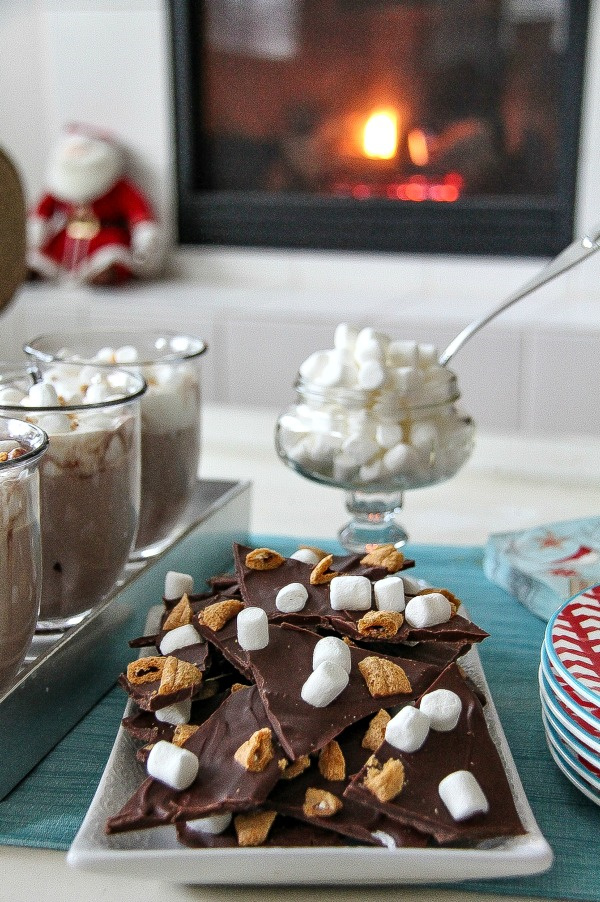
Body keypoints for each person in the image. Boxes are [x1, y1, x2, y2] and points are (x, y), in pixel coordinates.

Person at [27, 125, 162, 285]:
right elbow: (41, 214)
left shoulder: (117, 187)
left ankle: (106, 274)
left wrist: (145, 237)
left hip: (105, 238)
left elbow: (139, 213)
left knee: (112, 256)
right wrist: (34, 234)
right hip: (64, 242)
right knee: (37, 258)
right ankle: (32, 272)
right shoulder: (59, 186)